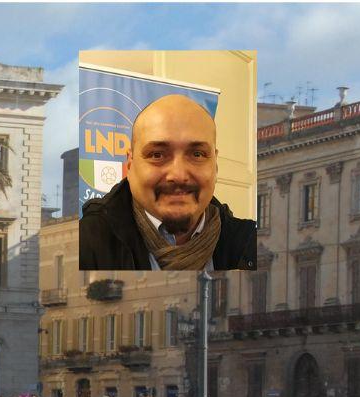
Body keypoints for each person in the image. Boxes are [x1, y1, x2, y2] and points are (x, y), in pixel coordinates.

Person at [79, 94, 256, 271]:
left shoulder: (249, 244)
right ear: (130, 163)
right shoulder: (86, 244)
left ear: (215, 165)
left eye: (197, 154)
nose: (178, 175)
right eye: (157, 155)